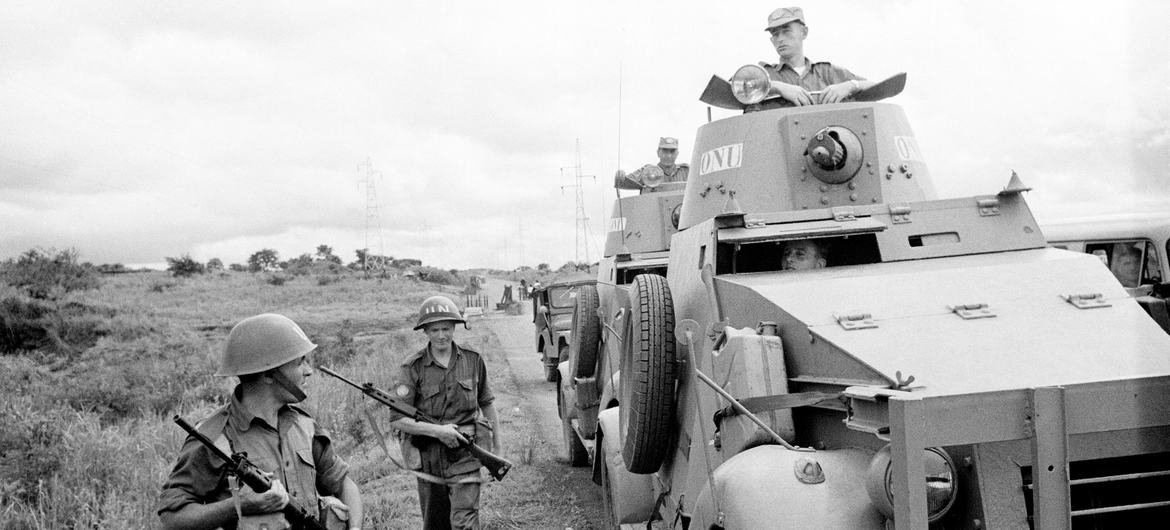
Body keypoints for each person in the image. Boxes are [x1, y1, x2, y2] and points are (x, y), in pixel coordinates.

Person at [158, 313, 363, 530]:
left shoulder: (304, 426)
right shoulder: (214, 438)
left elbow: (343, 484)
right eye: (300, 362)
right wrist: (240, 505)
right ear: (268, 374)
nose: (309, 371)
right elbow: (172, 517)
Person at [387, 296, 501, 529]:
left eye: (447, 329)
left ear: (455, 328)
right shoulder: (412, 367)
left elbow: (487, 403)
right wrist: (438, 431)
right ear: (426, 331)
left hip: (466, 455)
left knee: (465, 523)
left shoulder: (472, 359)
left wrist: (497, 450)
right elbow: (398, 419)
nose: (441, 335)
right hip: (428, 458)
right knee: (435, 524)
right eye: (435, 329)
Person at [761, 7, 877, 106]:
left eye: (786, 31)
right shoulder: (764, 75)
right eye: (775, 34)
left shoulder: (827, 72)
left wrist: (850, 86)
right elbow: (743, 92)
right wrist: (778, 87)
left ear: (804, 32)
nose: (780, 39)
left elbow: (878, 88)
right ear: (772, 40)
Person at [621, 137, 689, 190]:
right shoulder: (647, 171)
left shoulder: (686, 171)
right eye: (665, 151)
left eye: (672, 152)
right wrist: (620, 177)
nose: (668, 156)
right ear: (658, 153)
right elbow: (624, 182)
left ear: (677, 154)